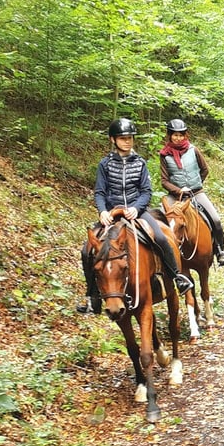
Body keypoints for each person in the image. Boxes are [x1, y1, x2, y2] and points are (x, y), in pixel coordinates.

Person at [77, 118, 194, 314]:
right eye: (123, 138)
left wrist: (136, 208)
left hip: (137, 212)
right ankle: (92, 297)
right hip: (111, 213)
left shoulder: (140, 163)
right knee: (86, 250)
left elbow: (146, 191)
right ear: (113, 140)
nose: (127, 141)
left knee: (161, 237)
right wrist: (103, 211)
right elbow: (100, 192)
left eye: (130, 138)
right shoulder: (104, 164)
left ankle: (177, 278)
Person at [159, 119, 224, 266]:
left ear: (185, 135)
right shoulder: (165, 154)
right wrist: (179, 190)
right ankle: (163, 259)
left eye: (181, 135)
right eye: (175, 135)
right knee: (162, 222)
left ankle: (219, 250)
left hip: (196, 193)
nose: (178, 138)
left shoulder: (193, 150)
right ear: (169, 135)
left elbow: (205, 169)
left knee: (215, 219)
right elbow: (164, 180)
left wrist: (195, 185)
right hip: (176, 196)